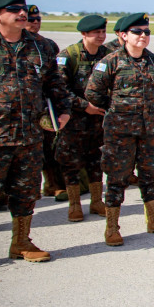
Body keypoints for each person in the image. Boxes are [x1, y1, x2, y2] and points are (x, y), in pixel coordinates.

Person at [0, 0, 73, 273]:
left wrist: (64, 111)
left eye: (23, 9)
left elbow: (55, 85)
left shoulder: (42, 47)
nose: (22, 14)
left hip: (30, 136)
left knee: (25, 192)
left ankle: (21, 242)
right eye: (13, 9)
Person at [85, 12, 154, 246]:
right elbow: (93, 93)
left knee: (150, 175)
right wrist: (117, 110)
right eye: (137, 32)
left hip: (149, 130)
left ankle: (153, 220)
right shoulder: (110, 62)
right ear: (124, 35)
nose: (143, 36)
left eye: (146, 32)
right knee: (117, 178)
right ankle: (112, 227)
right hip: (120, 132)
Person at [54, 15, 111, 221]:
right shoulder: (69, 56)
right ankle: (74, 204)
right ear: (84, 34)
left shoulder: (108, 55)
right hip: (74, 121)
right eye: (96, 32)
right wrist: (85, 106)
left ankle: (97, 202)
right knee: (71, 163)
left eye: (103, 32)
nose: (101, 36)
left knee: (96, 160)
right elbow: (59, 89)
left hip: (99, 121)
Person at [25, 4, 66, 198]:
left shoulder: (47, 45)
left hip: (43, 105)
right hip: (18, 108)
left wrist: (60, 106)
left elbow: (54, 77)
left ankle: (52, 184)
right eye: (31, 19)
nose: (35, 23)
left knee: (49, 146)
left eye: (38, 19)